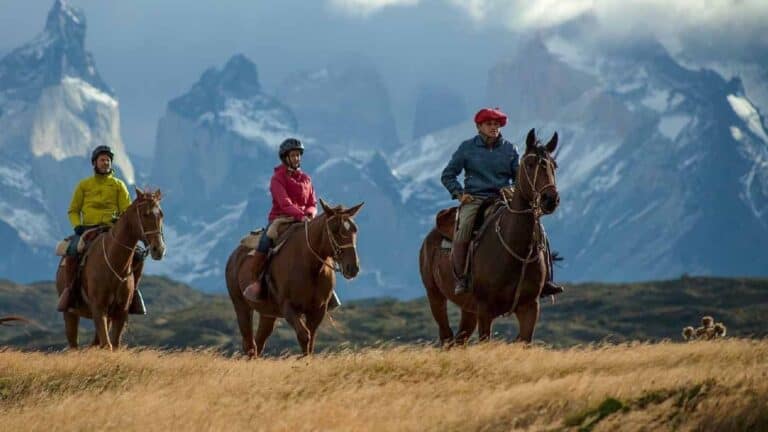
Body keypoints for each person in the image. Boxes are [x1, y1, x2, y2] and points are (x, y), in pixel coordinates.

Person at [440, 108, 564, 297]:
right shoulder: (466, 149)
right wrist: (459, 194)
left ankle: (546, 280)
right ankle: (462, 278)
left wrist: (513, 188)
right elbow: (448, 175)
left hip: (503, 198)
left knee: (538, 229)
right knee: (464, 227)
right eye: (489, 124)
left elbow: (520, 176)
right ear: (479, 126)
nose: (493, 128)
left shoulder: (509, 149)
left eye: (496, 124)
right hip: (475, 199)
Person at [243, 138, 342, 308]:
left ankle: (327, 288)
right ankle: (257, 281)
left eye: (298, 155)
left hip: (304, 220)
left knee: (323, 242)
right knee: (266, 240)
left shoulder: (306, 179)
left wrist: (309, 214)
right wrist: (300, 215)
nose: (296, 158)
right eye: (293, 155)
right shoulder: (277, 179)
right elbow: (284, 202)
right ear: (285, 158)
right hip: (281, 220)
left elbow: (312, 202)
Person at [57, 145, 147, 314]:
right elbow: (73, 210)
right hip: (88, 229)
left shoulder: (119, 185)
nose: (105, 163)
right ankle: (70, 291)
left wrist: (118, 221)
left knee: (139, 255)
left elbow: (126, 212)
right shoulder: (84, 185)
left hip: (112, 229)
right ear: (94, 163)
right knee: (72, 251)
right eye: (102, 160)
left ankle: (133, 293)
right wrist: (78, 225)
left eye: (108, 160)